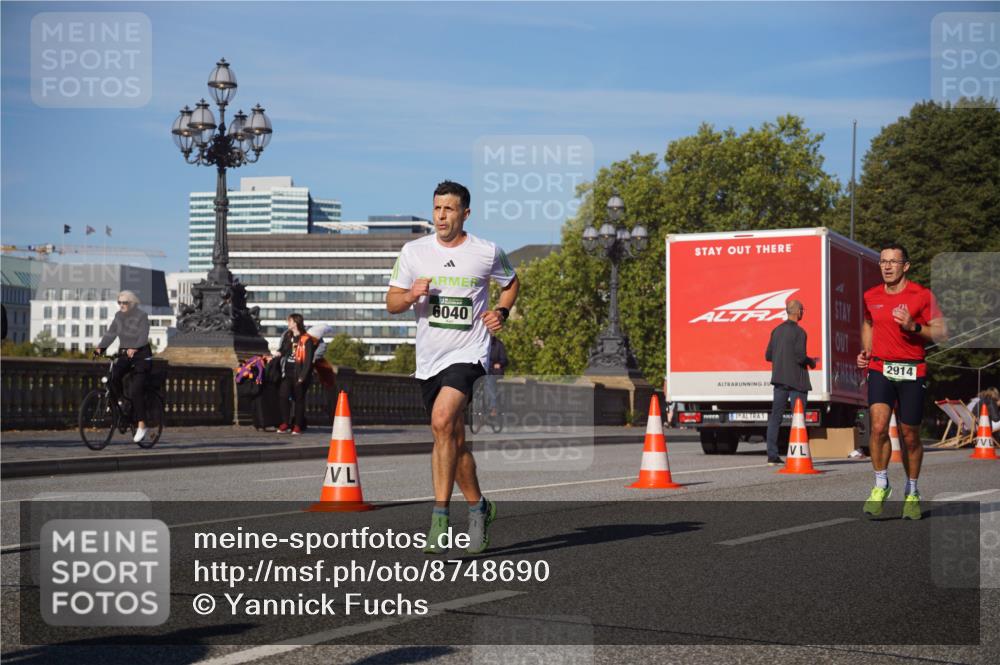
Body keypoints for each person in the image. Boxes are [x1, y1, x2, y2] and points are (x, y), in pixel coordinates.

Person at [386, 180, 519, 555]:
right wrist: (412, 294)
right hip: (430, 359)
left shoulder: (486, 252)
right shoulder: (413, 252)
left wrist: (501, 312)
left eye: (449, 209)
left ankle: (440, 518)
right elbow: (392, 302)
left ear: (465, 213)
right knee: (454, 443)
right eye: (437, 208)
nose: (441, 216)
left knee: (442, 422)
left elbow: (511, 283)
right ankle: (480, 508)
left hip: (469, 354)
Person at [857, 243, 947, 520]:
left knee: (910, 436)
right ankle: (881, 484)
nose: (886, 266)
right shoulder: (871, 295)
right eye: (883, 261)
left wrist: (914, 326)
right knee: (878, 427)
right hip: (880, 367)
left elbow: (942, 332)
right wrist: (867, 351)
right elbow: (869, 323)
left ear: (905, 266)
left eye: (893, 262)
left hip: (912, 370)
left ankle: (912, 491)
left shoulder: (921, 295)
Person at [93, 290, 152, 443]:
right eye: (119, 302)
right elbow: (111, 333)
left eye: (124, 302)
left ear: (132, 303)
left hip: (141, 357)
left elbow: (143, 336)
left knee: (136, 389)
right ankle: (120, 403)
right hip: (125, 356)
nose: (121, 305)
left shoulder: (141, 316)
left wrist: (135, 347)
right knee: (112, 378)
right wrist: (101, 348)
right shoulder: (119, 316)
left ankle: (142, 425)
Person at [764, 300, 816, 466]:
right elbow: (800, 357)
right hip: (797, 382)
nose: (803, 313)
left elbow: (768, 356)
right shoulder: (800, 333)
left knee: (775, 418)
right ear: (799, 312)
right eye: (803, 310)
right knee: (798, 419)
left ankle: (772, 456)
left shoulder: (776, 330)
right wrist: (811, 361)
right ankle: (799, 453)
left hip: (779, 381)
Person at [275, 313, 315, 435]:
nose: (288, 323)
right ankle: (285, 423)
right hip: (287, 372)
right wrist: (279, 353)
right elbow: (283, 349)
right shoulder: (288, 335)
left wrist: (302, 376)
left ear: (295, 323)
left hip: (299, 374)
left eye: (290, 321)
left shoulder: (306, 339)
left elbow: (308, 360)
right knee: (283, 396)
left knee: (299, 400)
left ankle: (297, 425)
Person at [485, 336, 508, 417]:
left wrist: (499, 364)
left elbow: (504, 360)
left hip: (494, 372)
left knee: (489, 382)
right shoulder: (480, 342)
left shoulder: (498, 344)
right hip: (483, 370)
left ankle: (493, 407)